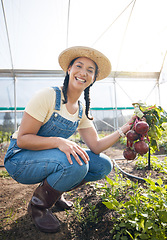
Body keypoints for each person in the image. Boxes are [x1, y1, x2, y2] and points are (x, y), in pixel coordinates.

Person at [4, 46, 134, 233]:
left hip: (48, 159)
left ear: (94, 78)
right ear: (69, 70)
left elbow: (96, 147)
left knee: (103, 164)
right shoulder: (48, 96)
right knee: (76, 163)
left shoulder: (81, 109)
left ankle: (55, 194)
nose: (83, 73)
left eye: (90, 70)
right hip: (20, 159)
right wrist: (59, 141)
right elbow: (23, 140)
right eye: (79, 66)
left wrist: (125, 128)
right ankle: (38, 207)